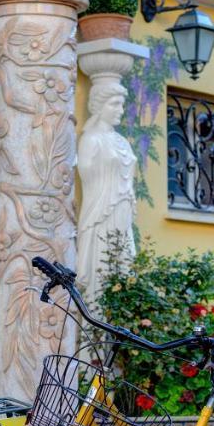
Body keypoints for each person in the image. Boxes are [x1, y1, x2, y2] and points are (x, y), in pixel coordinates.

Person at [76, 82, 137, 297]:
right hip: (101, 213)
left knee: (123, 269)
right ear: (99, 106)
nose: (120, 110)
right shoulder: (90, 140)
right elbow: (87, 176)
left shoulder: (122, 142)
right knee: (100, 268)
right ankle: (96, 329)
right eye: (115, 104)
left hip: (123, 212)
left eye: (122, 105)